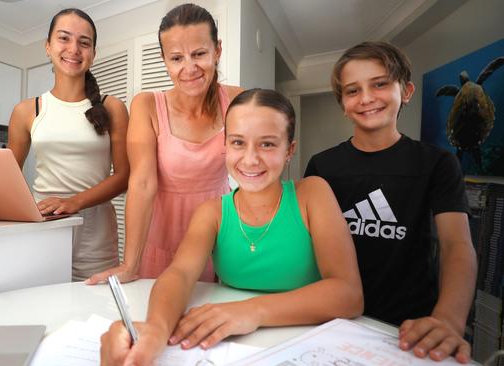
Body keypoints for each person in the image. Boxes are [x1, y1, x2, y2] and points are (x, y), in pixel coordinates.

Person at [100, 88, 364, 365]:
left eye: (268, 144)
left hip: (312, 345)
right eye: (238, 143)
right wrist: (156, 328)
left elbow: (348, 293)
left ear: (290, 150)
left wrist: (253, 311)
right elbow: (179, 274)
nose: (250, 159)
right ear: (224, 145)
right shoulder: (212, 212)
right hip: (239, 350)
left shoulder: (312, 193)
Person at [304, 41, 477, 363]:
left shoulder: (437, 164)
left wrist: (449, 319)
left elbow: (457, 245)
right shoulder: (321, 166)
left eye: (380, 84)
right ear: (343, 103)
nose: (367, 98)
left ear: (406, 90)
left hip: (408, 326)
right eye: (352, 90)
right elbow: (307, 244)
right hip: (333, 320)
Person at [87, 3, 243, 284]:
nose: (189, 68)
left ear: (217, 50)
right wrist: (129, 264)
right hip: (161, 235)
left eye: (199, 54)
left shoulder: (238, 101)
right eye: (176, 58)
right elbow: (142, 183)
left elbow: (254, 171)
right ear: (164, 60)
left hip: (218, 237)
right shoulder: (147, 105)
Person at [7, 8, 129, 281]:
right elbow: (7, 176)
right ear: (48, 47)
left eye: (84, 42)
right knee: (42, 309)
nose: (73, 49)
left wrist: (74, 202)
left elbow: (123, 177)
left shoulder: (113, 107)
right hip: (43, 228)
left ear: (93, 53)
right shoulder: (28, 110)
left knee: (96, 312)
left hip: (96, 235)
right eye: (64, 38)